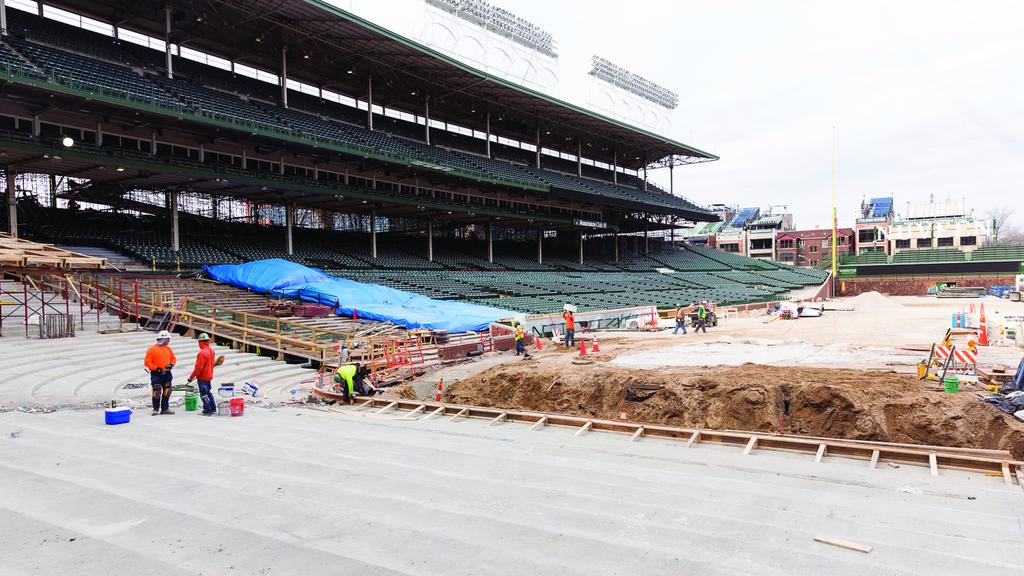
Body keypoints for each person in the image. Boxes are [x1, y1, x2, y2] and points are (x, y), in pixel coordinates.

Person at [144, 330, 176, 415]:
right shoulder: (152, 349)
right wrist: (157, 368)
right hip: (156, 373)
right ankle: (155, 408)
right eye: (168, 339)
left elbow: (173, 359)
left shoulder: (168, 349)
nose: (169, 341)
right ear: (165, 339)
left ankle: (165, 408)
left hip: (167, 373)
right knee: (157, 391)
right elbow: (147, 362)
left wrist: (171, 364)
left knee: (167, 391)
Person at [186, 333, 216, 416]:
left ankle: (207, 410)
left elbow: (198, 368)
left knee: (203, 394)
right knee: (208, 392)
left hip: (203, 377)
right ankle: (213, 408)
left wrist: (191, 377)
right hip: (209, 376)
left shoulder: (202, 353)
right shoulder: (211, 351)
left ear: (200, 342)